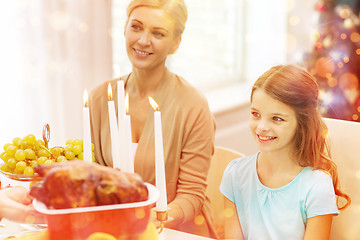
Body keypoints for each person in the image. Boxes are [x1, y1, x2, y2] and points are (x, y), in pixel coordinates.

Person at [88, 0, 217, 238]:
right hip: (112, 230)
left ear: (176, 43)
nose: (143, 40)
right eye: (136, 27)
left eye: (158, 33)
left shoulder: (193, 106)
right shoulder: (99, 99)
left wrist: (153, 219)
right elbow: (91, 175)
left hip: (176, 231)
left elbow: (192, 195)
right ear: (125, 28)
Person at [220, 64, 351, 240]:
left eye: (277, 118)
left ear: (302, 124)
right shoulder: (235, 174)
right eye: (255, 114)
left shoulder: (316, 187)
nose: (261, 127)